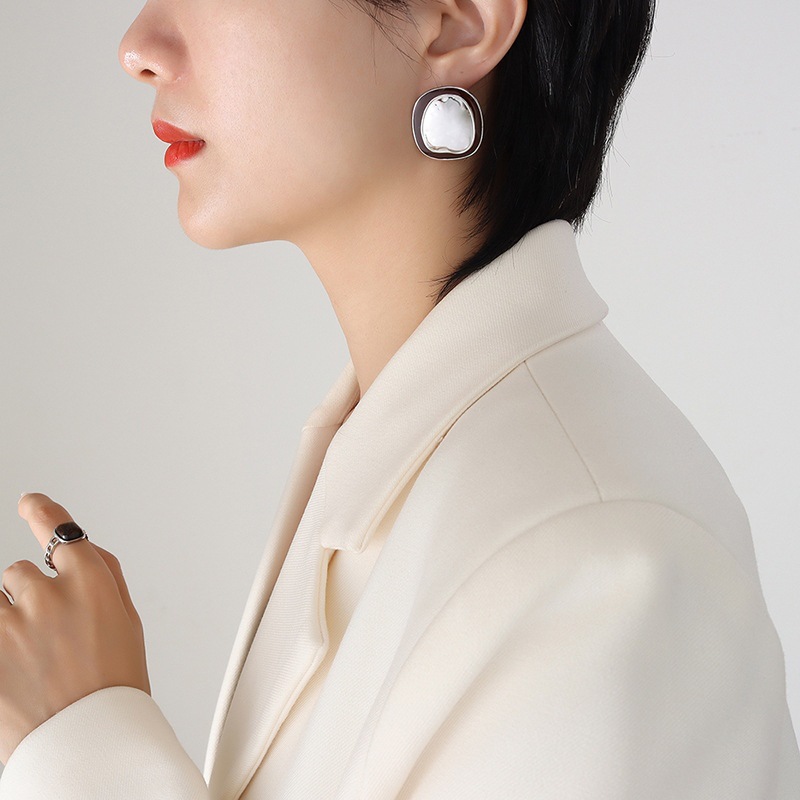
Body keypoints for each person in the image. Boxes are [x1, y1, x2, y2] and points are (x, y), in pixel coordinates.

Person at [1, 0, 798, 797]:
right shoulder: (409, 461)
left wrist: (86, 752)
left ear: (460, 21)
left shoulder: (602, 573)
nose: (138, 47)